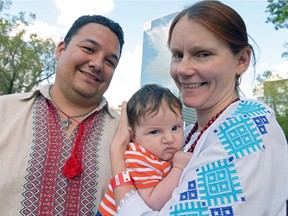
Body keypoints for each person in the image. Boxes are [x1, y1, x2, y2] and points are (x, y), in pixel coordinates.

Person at [108, 1, 288, 215]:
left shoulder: (248, 129)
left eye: (203, 54)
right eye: (177, 55)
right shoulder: (193, 132)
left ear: (241, 60)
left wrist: (117, 158)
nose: (183, 69)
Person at [0, 15, 124, 215]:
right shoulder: (4, 111)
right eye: (89, 49)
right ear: (61, 50)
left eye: (110, 61)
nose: (98, 64)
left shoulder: (127, 134)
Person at [97, 84, 192, 215]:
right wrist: (179, 168)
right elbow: (151, 203)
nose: (169, 139)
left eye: (175, 128)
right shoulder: (139, 158)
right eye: (155, 132)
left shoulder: (161, 153)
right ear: (134, 136)